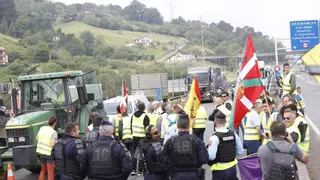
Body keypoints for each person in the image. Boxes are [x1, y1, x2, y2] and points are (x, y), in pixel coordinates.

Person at [160, 113, 209, 180]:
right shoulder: (196, 140)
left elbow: (162, 158)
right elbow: (204, 159)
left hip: (176, 175)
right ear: (189, 125)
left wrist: (171, 166)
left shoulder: (170, 141)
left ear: (177, 125)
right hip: (193, 174)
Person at [208, 112, 243, 180]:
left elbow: (211, 157)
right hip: (232, 168)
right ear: (225, 121)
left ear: (215, 122)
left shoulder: (214, 137)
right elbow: (240, 151)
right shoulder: (234, 135)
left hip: (219, 170)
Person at [131, 101, 150, 175]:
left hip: (134, 136)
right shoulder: (145, 116)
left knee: (135, 153)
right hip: (142, 137)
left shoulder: (133, 115)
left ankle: (133, 169)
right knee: (142, 153)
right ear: (144, 108)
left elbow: (131, 126)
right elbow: (147, 128)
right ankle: (141, 170)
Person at [36, 116, 57, 180]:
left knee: (43, 170)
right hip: (49, 154)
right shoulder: (54, 132)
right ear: (55, 123)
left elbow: (37, 138)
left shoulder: (42, 128)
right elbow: (53, 144)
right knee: (50, 172)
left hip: (41, 153)